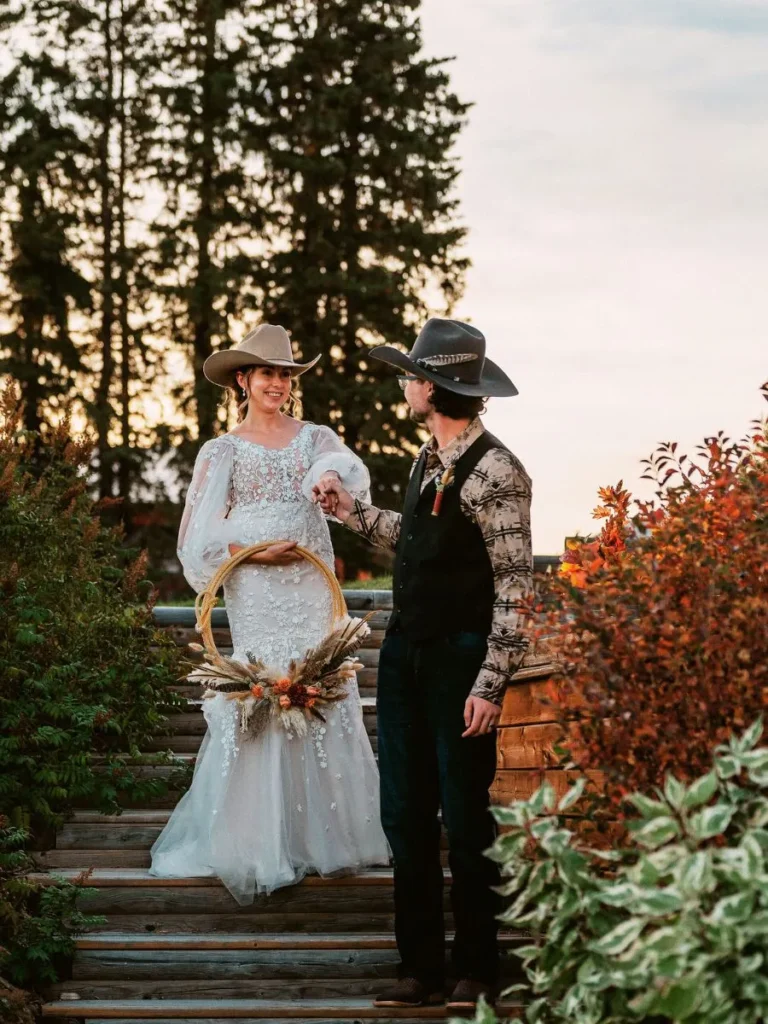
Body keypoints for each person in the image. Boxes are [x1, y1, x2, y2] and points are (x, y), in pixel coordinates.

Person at [315, 318, 533, 1010]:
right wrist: (352, 512)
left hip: (462, 662)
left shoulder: (497, 469)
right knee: (405, 814)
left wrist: (491, 683)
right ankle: (419, 970)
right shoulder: (424, 460)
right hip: (405, 654)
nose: (404, 385)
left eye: (411, 375)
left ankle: (477, 970)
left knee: (466, 819)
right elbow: (412, 539)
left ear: (433, 387)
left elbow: (515, 585)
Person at [150, 323, 389, 904]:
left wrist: (327, 477)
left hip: (310, 583)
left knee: (318, 688)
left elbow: (339, 467)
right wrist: (249, 552)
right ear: (243, 379)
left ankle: (324, 836)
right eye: (266, 373)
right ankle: (257, 839)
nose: (278, 383)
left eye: (285, 374)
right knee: (262, 692)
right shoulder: (222, 450)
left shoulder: (314, 438)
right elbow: (195, 543)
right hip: (254, 590)